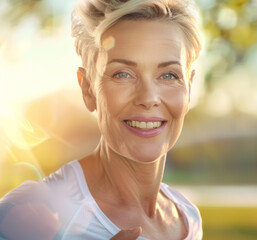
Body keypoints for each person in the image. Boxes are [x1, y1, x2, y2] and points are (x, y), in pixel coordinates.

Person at [0, 0, 203, 239]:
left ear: (188, 89)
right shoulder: (29, 211)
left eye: (168, 75)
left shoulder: (187, 218)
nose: (148, 98)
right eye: (123, 74)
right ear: (88, 89)